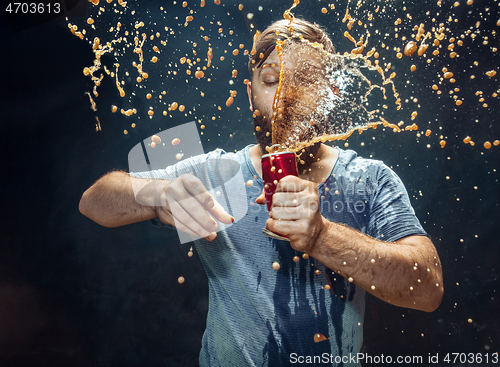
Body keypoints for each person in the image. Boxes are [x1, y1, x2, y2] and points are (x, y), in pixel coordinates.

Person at [79, 19, 443, 367]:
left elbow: (427, 289)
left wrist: (322, 236)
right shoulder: (216, 173)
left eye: (306, 81)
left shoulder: (370, 178)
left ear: (332, 93)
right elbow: (94, 201)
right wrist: (158, 194)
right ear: (250, 93)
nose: (286, 97)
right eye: (271, 80)